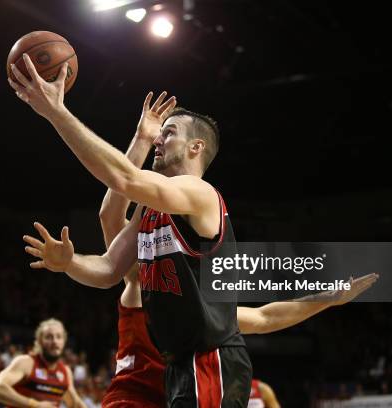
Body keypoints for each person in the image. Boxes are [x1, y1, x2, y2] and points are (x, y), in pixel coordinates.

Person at [92, 93, 378, 407]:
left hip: (187, 386)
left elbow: (266, 317)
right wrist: (141, 140)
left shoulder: (200, 307)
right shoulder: (138, 278)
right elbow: (111, 213)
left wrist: (330, 298)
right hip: (142, 397)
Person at [15, 55, 252, 406]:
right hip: (177, 364)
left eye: (168, 134)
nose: (159, 139)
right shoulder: (150, 209)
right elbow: (110, 269)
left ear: (195, 147)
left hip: (210, 359)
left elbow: (124, 178)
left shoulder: (200, 194)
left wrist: (57, 113)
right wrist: (70, 264)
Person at [0, 318, 86, 408]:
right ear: (39, 341)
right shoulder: (26, 362)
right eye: (49, 337)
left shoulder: (65, 371)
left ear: (64, 342)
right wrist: (34, 404)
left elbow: (75, 404)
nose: (54, 341)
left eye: (59, 337)